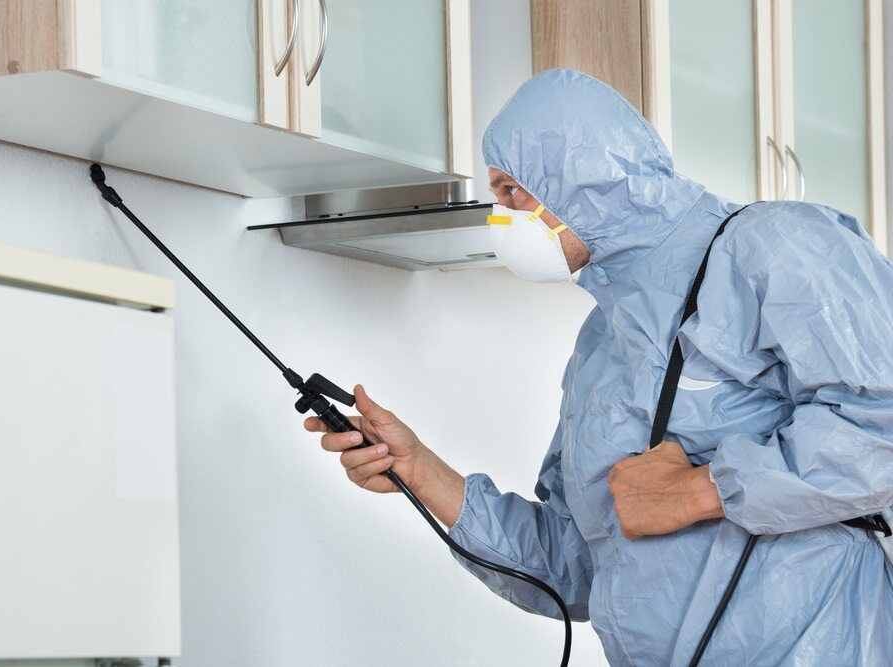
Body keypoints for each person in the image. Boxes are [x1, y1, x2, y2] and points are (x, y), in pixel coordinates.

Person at [304, 68, 893, 665]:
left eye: (510, 191)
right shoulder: (601, 344)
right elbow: (575, 567)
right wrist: (421, 471)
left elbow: (882, 423)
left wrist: (698, 490)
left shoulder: (775, 245)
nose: (500, 215)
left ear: (581, 175)